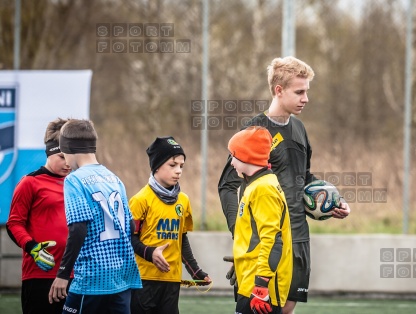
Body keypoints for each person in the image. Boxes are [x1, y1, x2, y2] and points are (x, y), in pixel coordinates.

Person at [218, 56, 351, 314]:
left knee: (287, 307)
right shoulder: (254, 131)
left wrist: (332, 200)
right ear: (279, 90)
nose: (306, 98)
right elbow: (226, 186)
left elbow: (305, 177)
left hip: (298, 235)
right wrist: (241, 236)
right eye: (299, 92)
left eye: (307, 91)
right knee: (262, 307)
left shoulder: (300, 129)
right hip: (266, 239)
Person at [48, 118, 141, 314]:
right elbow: (131, 227)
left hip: (92, 278)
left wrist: (63, 274)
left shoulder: (74, 180)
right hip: (121, 277)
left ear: (69, 148)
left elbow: (78, 228)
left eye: (64, 154)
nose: (65, 161)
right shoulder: (114, 179)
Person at [129, 136, 211, 314]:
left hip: (171, 281)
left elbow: (181, 240)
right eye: (172, 165)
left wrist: (196, 272)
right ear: (156, 166)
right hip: (143, 280)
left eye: (181, 166)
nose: (178, 171)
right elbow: (129, 239)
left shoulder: (183, 200)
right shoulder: (140, 200)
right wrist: (150, 253)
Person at [6, 118, 71, 314]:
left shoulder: (77, 184)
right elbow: (14, 224)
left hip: (74, 275)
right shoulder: (30, 182)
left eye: (70, 156)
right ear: (49, 152)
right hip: (40, 274)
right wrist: (32, 247)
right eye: (61, 156)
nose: (68, 163)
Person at [228, 126, 293, 314]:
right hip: (250, 283)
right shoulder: (255, 185)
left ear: (246, 155)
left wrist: (261, 285)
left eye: (233, 155)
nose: (231, 162)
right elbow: (255, 237)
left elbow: (272, 241)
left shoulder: (263, 189)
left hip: (260, 292)